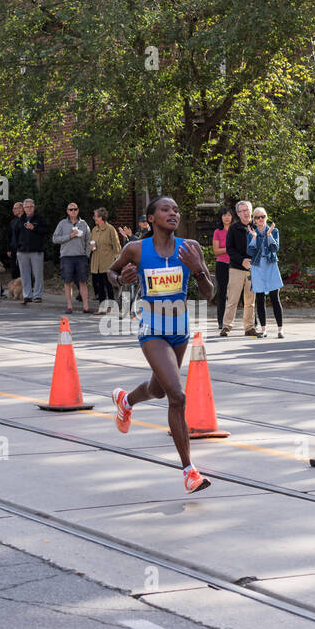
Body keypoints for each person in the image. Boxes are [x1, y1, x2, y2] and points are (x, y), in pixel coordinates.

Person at [108, 196, 216, 493]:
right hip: (152, 329)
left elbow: (209, 294)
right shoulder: (136, 249)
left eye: (176, 209)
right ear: (151, 218)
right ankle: (189, 471)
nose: (173, 213)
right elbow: (111, 272)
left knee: (158, 390)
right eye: (166, 209)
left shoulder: (190, 247)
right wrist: (122, 279)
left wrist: (198, 270)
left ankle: (125, 401)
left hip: (180, 329)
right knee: (177, 396)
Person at [220, 200, 258, 336]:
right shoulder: (233, 228)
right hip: (236, 268)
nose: (245, 213)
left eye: (246, 210)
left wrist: (253, 261)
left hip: (253, 269)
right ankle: (226, 326)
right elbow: (230, 249)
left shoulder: (257, 226)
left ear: (251, 210)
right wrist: (242, 260)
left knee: (250, 301)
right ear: (238, 214)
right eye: (241, 211)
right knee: (232, 299)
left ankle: (249, 328)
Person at [247, 205, 283, 338]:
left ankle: (280, 329)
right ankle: (263, 329)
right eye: (257, 217)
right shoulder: (251, 232)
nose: (261, 219)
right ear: (254, 220)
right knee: (260, 298)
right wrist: (254, 237)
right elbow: (249, 251)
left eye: (263, 216)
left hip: (271, 265)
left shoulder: (274, 231)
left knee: (275, 297)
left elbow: (275, 248)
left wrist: (268, 235)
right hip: (257, 266)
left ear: (266, 217)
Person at [53, 201, 92, 313]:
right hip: (67, 257)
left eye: (75, 209)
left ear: (78, 210)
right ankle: (69, 306)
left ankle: (86, 306)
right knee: (67, 282)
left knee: (83, 282)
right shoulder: (62, 224)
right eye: (71, 210)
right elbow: (55, 239)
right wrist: (69, 236)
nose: (73, 211)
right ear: (67, 212)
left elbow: (88, 240)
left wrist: (86, 255)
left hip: (81, 257)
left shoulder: (83, 224)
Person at [13, 198, 46, 303]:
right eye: (27, 207)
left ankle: (37, 295)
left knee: (38, 275)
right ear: (24, 208)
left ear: (34, 207)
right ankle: (27, 295)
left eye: (31, 206)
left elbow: (46, 230)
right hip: (22, 252)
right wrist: (17, 248)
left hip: (36, 251)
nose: (29, 208)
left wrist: (34, 228)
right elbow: (15, 235)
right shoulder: (19, 220)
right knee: (24, 275)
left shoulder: (39, 219)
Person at [90, 207, 122, 308]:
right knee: (99, 286)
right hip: (96, 262)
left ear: (101, 217)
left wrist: (117, 261)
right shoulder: (94, 230)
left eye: (95, 216)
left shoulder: (110, 229)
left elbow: (117, 246)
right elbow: (91, 242)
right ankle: (102, 306)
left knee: (109, 286)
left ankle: (111, 307)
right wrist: (91, 246)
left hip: (108, 262)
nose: (93, 218)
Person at [211, 206, 233, 329]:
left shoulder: (236, 230)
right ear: (221, 217)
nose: (226, 217)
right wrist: (229, 248)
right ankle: (221, 321)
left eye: (229, 215)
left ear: (232, 217)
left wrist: (229, 249)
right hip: (222, 265)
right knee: (222, 293)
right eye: (224, 215)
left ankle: (251, 322)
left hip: (236, 265)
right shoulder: (217, 232)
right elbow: (216, 251)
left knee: (239, 294)